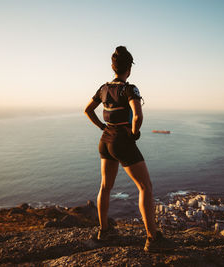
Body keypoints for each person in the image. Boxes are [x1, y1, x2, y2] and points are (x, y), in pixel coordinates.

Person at [84, 46, 173, 252]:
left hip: (105, 140)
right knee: (145, 187)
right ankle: (153, 238)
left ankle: (104, 231)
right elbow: (138, 116)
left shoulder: (103, 88)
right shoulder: (130, 89)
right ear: (129, 69)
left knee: (105, 187)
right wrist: (134, 133)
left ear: (113, 67)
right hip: (122, 140)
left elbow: (87, 109)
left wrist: (101, 127)